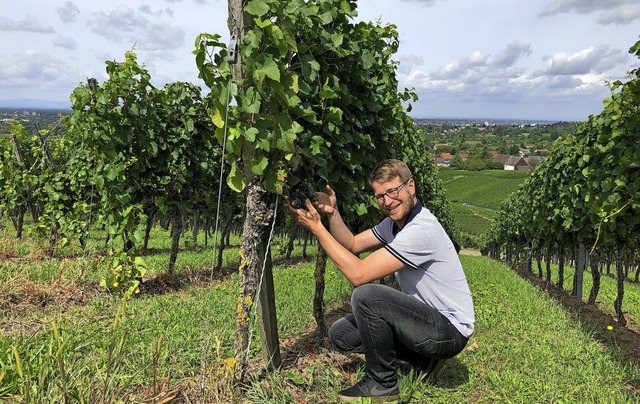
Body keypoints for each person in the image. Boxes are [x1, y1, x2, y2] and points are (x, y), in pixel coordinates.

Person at [288, 159, 475, 402]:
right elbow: (353, 243)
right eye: (380, 196)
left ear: (411, 186)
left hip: (448, 331)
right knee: (342, 334)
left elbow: (359, 274)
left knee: (367, 295)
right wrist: (332, 214)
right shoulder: (394, 225)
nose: (387, 201)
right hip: (429, 321)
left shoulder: (421, 229)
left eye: (393, 191)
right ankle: (425, 360)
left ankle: (382, 383)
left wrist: (317, 228)